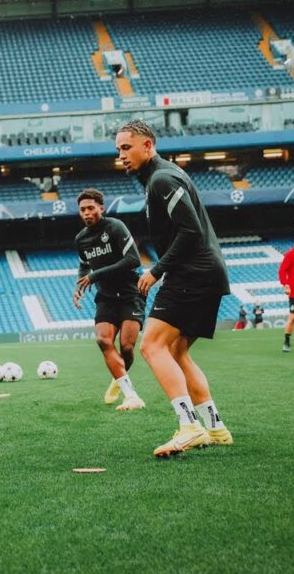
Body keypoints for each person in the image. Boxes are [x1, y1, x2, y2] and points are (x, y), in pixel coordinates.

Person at [116, 119, 233, 457]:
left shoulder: (162, 178)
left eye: (127, 147)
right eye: (118, 150)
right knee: (178, 351)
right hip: (207, 274)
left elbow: (190, 231)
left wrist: (157, 271)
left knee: (151, 347)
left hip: (191, 274)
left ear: (147, 145)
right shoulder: (162, 177)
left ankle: (189, 425)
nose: (121, 155)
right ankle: (216, 427)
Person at [71, 188, 146, 412]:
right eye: (82, 210)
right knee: (103, 341)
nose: (86, 213)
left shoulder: (115, 227)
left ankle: (118, 377)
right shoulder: (81, 239)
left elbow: (133, 260)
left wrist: (95, 276)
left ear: (101, 208)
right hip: (105, 295)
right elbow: (84, 264)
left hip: (130, 291)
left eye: (91, 208)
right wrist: (80, 283)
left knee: (126, 346)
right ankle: (130, 395)